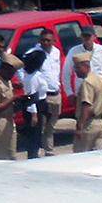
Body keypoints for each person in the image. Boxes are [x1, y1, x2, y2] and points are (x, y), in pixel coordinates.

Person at [61, 25, 102, 99]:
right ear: (81, 36)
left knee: (99, 111)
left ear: (94, 36)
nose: (86, 38)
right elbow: (66, 73)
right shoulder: (74, 51)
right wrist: (69, 93)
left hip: (99, 91)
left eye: (88, 36)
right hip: (82, 92)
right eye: (84, 35)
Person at [71, 52, 102, 153]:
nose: (76, 71)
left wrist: (80, 126)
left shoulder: (87, 83)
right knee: (98, 156)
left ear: (86, 66)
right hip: (99, 123)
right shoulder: (99, 80)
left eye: (78, 68)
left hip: (88, 125)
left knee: (81, 156)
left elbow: (86, 105)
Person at [17, 48, 50, 160]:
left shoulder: (35, 75)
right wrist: (34, 115)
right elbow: (31, 96)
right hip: (34, 107)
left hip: (41, 105)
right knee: (34, 136)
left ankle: (35, 154)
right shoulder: (33, 77)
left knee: (38, 134)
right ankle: (32, 156)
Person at [36, 28, 63, 156]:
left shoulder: (56, 52)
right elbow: (21, 69)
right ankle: (38, 151)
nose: (45, 42)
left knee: (51, 125)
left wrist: (58, 84)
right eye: (43, 40)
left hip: (56, 94)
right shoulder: (34, 53)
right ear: (39, 40)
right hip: (44, 95)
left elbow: (56, 70)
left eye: (48, 40)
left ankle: (49, 150)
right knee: (41, 125)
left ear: (54, 41)